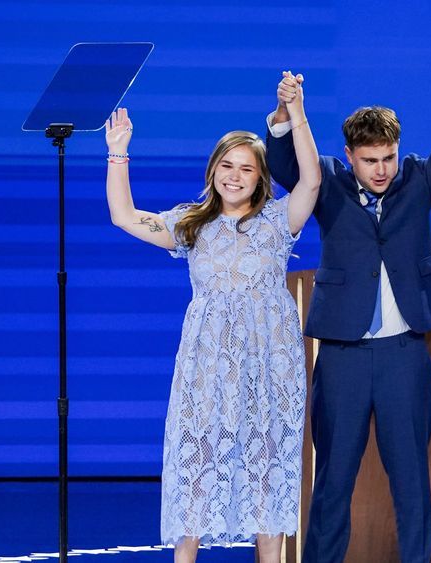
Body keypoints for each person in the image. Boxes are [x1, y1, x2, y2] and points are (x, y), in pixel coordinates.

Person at [263, 31, 431, 563]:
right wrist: (284, 113)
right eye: (370, 159)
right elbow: (283, 164)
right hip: (343, 356)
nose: (381, 170)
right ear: (349, 155)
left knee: (412, 481)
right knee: (332, 482)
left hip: (404, 355)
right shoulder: (325, 180)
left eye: (388, 157)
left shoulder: (417, 179)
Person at [103, 70, 319, 563]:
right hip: (207, 367)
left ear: (260, 178)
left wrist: (296, 112)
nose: (235, 176)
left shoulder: (279, 221)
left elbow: (311, 180)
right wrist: (118, 152)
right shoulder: (191, 224)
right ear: (212, 170)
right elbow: (123, 215)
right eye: (227, 165)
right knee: (196, 466)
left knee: (267, 469)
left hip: (269, 369)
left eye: (246, 168)